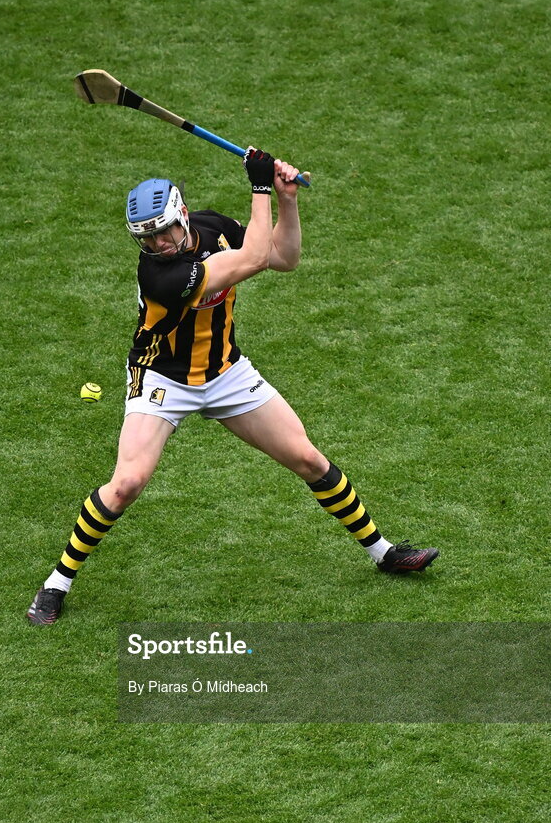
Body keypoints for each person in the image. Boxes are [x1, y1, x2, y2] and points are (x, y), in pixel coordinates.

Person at [27, 149, 438, 625]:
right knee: (126, 485)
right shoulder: (161, 275)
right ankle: (56, 584)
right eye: (148, 237)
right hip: (162, 377)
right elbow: (253, 257)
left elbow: (282, 258)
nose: (160, 243)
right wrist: (259, 187)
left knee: (307, 458)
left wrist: (285, 201)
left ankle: (383, 553)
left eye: (165, 230)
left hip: (226, 372)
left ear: (182, 214)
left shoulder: (214, 226)